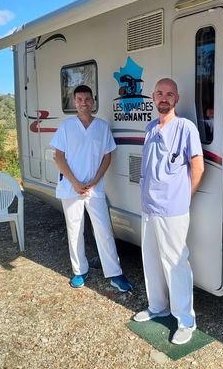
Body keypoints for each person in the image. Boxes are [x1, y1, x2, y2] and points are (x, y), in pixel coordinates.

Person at [133, 78, 204, 345]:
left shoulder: (186, 128)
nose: (164, 98)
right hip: (149, 207)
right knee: (150, 260)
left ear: (177, 98)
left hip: (173, 209)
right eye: (160, 93)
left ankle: (186, 320)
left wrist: (184, 199)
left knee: (176, 264)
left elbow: (198, 168)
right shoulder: (150, 127)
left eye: (169, 94)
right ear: (153, 97)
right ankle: (157, 306)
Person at [51, 84, 132, 292]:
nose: (83, 103)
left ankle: (114, 273)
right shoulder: (66, 126)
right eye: (79, 99)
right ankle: (79, 271)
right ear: (74, 102)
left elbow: (107, 156)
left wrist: (95, 180)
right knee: (75, 230)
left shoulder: (102, 127)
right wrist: (76, 183)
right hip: (72, 188)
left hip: (94, 189)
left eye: (87, 99)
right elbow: (58, 157)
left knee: (103, 230)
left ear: (93, 101)